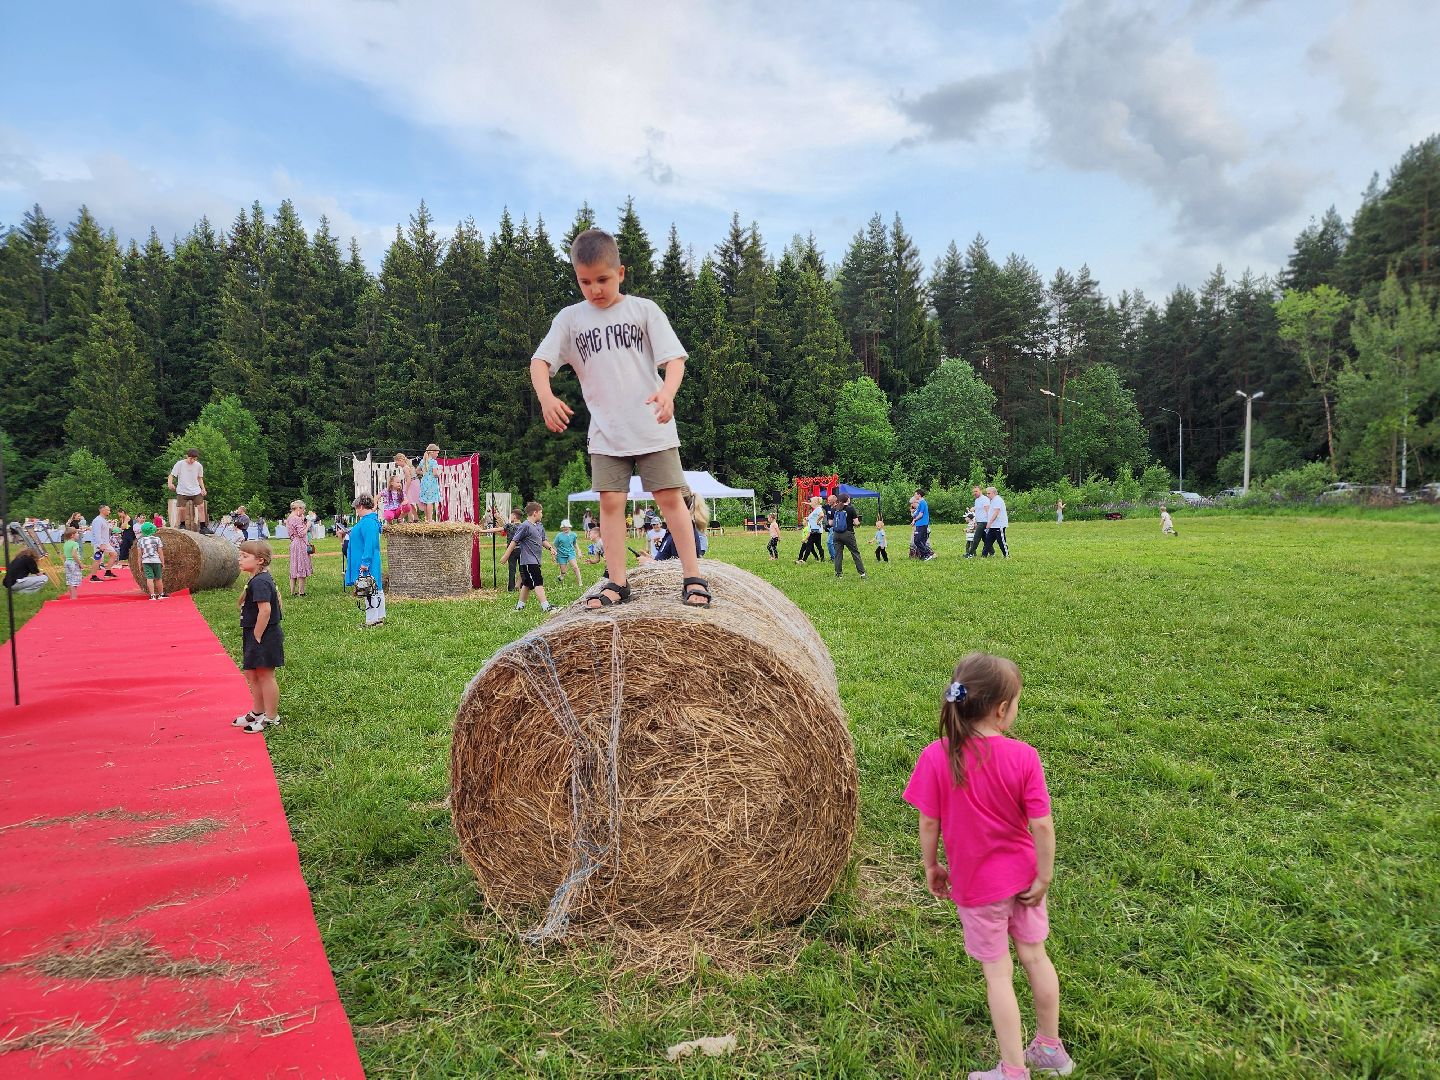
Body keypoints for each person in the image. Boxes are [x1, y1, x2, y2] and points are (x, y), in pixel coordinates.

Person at [903, 653, 1071, 1080]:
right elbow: (1042, 826)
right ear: (1001, 709)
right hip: (1024, 880)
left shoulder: (936, 756)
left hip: (978, 887)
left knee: (999, 974)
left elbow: (928, 820)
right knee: (1035, 957)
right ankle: (1051, 1050)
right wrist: (1044, 875)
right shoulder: (1024, 757)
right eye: (1017, 703)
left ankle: (1014, 1071)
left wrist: (931, 865)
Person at [531, 228, 710, 610]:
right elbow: (539, 361)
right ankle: (617, 582)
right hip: (607, 433)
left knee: (670, 498)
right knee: (610, 503)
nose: (594, 289)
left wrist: (668, 392)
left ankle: (693, 576)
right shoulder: (570, 320)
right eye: (585, 281)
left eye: (603, 280)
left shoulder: (643, 310)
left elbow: (674, 360)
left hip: (652, 426)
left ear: (621, 273)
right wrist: (546, 397)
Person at [232, 540, 284, 734]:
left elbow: (265, 611)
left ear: (260, 560)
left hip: (264, 634)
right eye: (240, 555)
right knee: (252, 674)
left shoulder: (261, 581)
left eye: (245, 556)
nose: (240, 559)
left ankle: (271, 717)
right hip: (255, 633)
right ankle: (258, 711)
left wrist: (257, 635)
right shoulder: (257, 578)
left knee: (265, 675)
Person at [501, 501, 554, 613]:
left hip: (536, 560)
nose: (542, 514)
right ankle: (546, 607)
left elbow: (543, 540)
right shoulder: (525, 526)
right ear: (535, 513)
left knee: (527, 584)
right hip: (528, 561)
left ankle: (519, 607)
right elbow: (514, 541)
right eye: (541, 512)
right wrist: (506, 556)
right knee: (537, 582)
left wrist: (550, 548)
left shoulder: (539, 526)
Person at [168, 448, 207, 530]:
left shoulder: (198, 466)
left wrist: (203, 489)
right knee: (182, 508)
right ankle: (182, 525)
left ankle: (203, 527)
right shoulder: (180, 464)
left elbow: (200, 478)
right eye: (190, 458)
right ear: (187, 456)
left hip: (195, 490)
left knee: (201, 506)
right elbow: (171, 475)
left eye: (194, 459)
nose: (192, 460)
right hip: (183, 490)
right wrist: (170, 483)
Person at [831, 493, 866, 579]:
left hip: (836, 534)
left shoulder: (835, 509)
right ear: (847, 499)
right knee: (855, 553)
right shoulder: (850, 508)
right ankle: (862, 574)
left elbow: (831, 523)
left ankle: (838, 574)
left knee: (838, 554)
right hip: (848, 533)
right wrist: (858, 522)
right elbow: (856, 523)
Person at [285, 500, 313, 596]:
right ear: (298, 508)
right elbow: (301, 533)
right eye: (303, 509)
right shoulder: (296, 518)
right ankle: (301, 592)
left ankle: (292, 591)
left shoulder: (289, 518)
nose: (304, 511)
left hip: (294, 543)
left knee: (294, 566)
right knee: (301, 566)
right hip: (300, 544)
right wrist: (308, 525)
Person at [134, 521, 166, 599]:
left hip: (146, 561)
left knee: (149, 578)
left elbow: (139, 554)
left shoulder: (140, 540)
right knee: (158, 578)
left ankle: (152, 595)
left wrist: (139, 564)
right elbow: (160, 552)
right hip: (156, 560)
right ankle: (161, 594)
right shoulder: (157, 539)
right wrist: (163, 562)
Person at [88, 506, 119, 581]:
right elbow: (97, 533)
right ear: (102, 510)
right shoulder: (98, 520)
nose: (109, 511)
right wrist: (100, 544)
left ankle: (108, 571)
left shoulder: (103, 520)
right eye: (108, 510)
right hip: (100, 543)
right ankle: (93, 576)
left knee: (114, 554)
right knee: (98, 559)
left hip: (105, 542)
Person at [553, 518, 584, 589]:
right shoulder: (559, 536)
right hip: (561, 554)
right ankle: (561, 575)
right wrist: (554, 555)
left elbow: (575, 543)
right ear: (562, 528)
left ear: (569, 527)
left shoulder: (573, 535)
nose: (565, 529)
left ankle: (580, 582)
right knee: (563, 571)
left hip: (570, 553)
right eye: (563, 528)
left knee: (575, 567)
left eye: (566, 527)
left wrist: (578, 551)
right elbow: (555, 546)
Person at [418, 444, 442, 523]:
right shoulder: (433, 462)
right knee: (430, 502)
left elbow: (417, 471)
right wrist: (439, 474)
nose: (437, 455)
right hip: (431, 483)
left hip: (424, 482)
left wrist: (424, 473)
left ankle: (426, 519)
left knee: (425, 501)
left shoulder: (423, 461)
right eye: (437, 453)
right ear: (432, 452)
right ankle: (430, 519)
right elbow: (435, 473)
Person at [982, 486, 1009, 558]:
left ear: (994, 493)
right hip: (993, 525)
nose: (987, 495)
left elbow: (996, 513)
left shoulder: (998, 500)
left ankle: (1006, 555)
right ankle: (984, 555)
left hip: (999, 525)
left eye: (989, 493)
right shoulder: (993, 500)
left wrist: (989, 523)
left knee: (1001, 541)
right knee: (988, 540)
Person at [796, 497, 825, 563]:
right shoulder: (816, 509)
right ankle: (822, 559)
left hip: (814, 531)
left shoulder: (818, 509)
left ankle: (803, 560)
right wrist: (806, 503)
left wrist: (818, 521)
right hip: (817, 531)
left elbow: (822, 515)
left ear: (815, 503)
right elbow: (813, 517)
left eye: (811, 502)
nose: (810, 503)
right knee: (818, 546)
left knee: (809, 546)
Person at [394, 452, 420, 523]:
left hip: (411, 484)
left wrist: (406, 489)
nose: (397, 464)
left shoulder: (405, 468)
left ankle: (411, 519)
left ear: (400, 460)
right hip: (414, 483)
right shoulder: (408, 466)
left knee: (408, 502)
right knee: (411, 502)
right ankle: (416, 518)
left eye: (397, 463)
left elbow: (409, 479)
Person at [503, 508, 524, 591]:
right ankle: (522, 586)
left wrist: (483, 531)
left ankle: (511, 588)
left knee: (512, 570)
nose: (510, 517)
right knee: (522, 570)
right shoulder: (524, 526)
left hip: (511, 550)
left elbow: (497, 529)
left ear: (514, 516)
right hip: (522, 550)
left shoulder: (509, 526)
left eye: (511, 515)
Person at [966, 486, 990, 558]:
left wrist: (989, 522)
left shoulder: (985, 499)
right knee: (985, 538)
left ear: (980, 491)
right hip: (979, 521)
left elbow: (988, 511)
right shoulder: (976, 500)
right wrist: (975, 522)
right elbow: (977, 512)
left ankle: (970, 553)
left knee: (976, 538)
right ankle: (992, 552)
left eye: (976, 491)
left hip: (984, 521)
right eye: (973, 492)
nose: (974, 493)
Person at [912, 488, 935, 561]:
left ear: (919, 495)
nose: (914, 496)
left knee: (917, 540)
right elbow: (916, 513)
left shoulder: (922, 502)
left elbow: (921, 514)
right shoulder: (921, 503)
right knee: (921, 540)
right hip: (920, 524)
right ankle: (924, 555)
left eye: (915, 494)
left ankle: (927, 554)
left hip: (922, 524)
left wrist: (915, 519)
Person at [61, 526, 84, 600]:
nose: (78, 534)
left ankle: (71, 596)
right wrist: (80, 563)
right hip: (73, 563)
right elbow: (74, 555)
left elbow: (64, 555)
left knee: (69, 580)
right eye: (77, 533)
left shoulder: (66, 543)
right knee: (74, 581)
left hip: (67, 562)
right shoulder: (75, 544)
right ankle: (74, 598)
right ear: (72, 535)